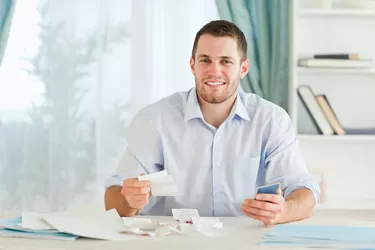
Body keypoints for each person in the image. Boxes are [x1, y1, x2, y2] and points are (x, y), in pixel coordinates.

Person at [104, 20, 320, 226]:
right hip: (173, 242)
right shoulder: (155, 119)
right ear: (192, 64)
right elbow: (113, 198)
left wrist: (283, 211)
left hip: (245, 241)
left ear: (243, 68)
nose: (214, 71)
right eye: (205, 60)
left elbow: (304, 192)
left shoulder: (271, 120)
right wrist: (128, 201)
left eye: (226, 61)